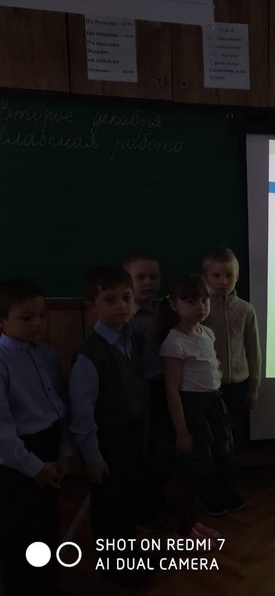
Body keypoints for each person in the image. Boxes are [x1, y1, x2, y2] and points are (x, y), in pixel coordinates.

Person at [69, 266, 151, 588]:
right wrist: (92, 458)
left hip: (132, 437)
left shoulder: (132, 339)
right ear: (92, 307)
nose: (121, 305)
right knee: (109, 507)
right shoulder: (90, 355)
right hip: (107, 442)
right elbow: (82, 416)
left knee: (129, 500)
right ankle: (115, 568)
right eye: (110, 299)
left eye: (127, 298)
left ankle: (129, 555)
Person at [0, 279, 71, 596]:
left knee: (47, 526)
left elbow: (60, 407)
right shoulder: (2, 361)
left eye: (42, 315)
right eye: (27, 317)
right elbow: (2, 433)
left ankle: (48, 586)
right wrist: (35, 467)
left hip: (48, 447)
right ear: (2, 321)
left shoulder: (48, 355)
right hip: (17, 460)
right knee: (20, 531)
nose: (38, 323)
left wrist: (64, 453)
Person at [156, 274, 230, 544]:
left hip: (211, 407)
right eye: (191, 301)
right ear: (174, 304)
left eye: (204, 300)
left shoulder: (206, 333)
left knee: (199, 472)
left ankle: (191, 523)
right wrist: (182, 431)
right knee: (187, 474)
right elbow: (171, 389)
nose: (200, 306)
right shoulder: (174, 342)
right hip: (191, 411)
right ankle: (183, 530)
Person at [200, 247, 261, 514]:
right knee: (210, 442)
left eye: (229, 275)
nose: (223, 281)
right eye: (216, 275)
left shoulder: (245, 310)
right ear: (205, 277)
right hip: (208, 389)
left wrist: (254, 387)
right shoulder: (200, 308)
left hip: (237, 387)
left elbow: (253, 351)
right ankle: (209, 493)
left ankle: (227, 488)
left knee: (232, 442)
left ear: (237, 276)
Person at [123, 253, 169, 531]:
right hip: (139, 392)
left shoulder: (166, 311)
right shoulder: (126, 318)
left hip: (166, 387)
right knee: (143, 450)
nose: (148, 282)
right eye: (140, 277)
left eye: (153, 277)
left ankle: (159, 503)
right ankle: (144, 510)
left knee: (162, 449)